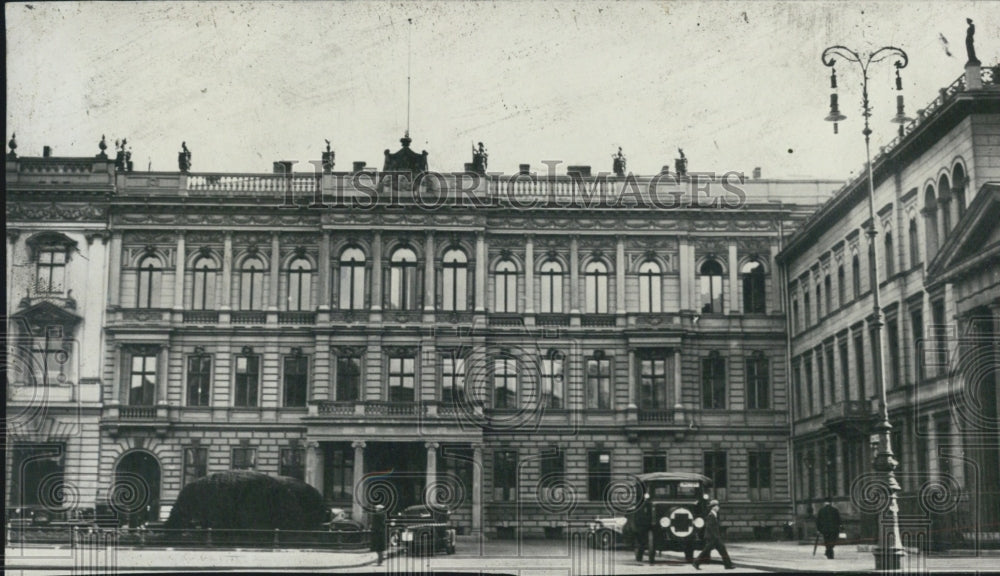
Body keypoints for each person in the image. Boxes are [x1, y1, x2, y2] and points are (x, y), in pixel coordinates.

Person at [693, 500, 735, 570]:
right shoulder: (711, 515)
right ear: (713, 507)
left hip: (715, 537)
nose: (718, 507)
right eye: (717, 506)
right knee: (706, 551)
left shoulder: (714, 515)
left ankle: (728, 565)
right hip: (712, 538)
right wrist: (716, 537)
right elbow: (710, 528)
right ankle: (696, 562)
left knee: (722, 550)